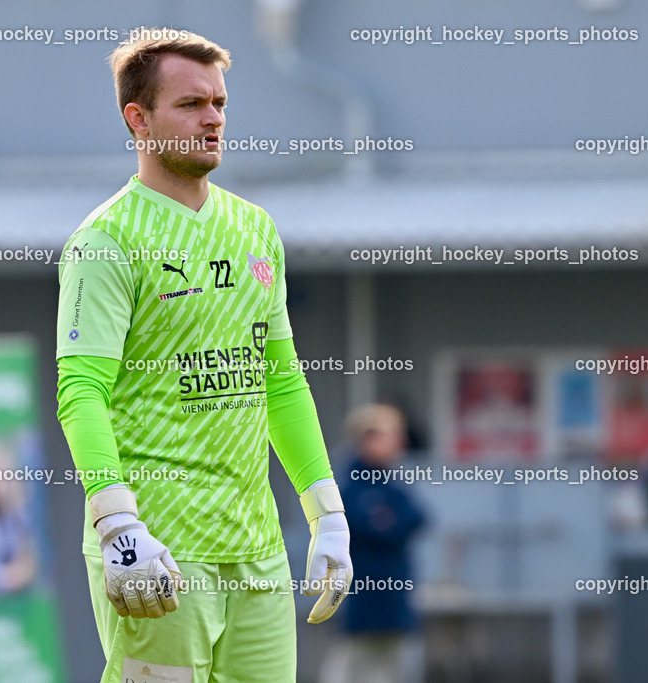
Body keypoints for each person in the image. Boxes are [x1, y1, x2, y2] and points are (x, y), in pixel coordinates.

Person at [55, 27, 352, 683]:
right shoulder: (105, 240)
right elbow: (81, 392)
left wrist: (326, 515)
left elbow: (280, 381)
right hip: (158, 545)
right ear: (139, 118)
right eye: (190, 104)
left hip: (255, 548)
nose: (213, 118)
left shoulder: (254, 227)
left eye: (218, 102)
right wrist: (117, 523)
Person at [323, 404, 427, 683]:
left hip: (393, 596)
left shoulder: (394, 485)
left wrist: (388, 524)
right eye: (388, 434)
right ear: (366, 438)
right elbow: (367, 526)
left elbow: (415, 519)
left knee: (389, 667)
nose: (396, 442)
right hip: (356, 595)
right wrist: (386, 525)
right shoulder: (348, 486)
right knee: (348, 662)